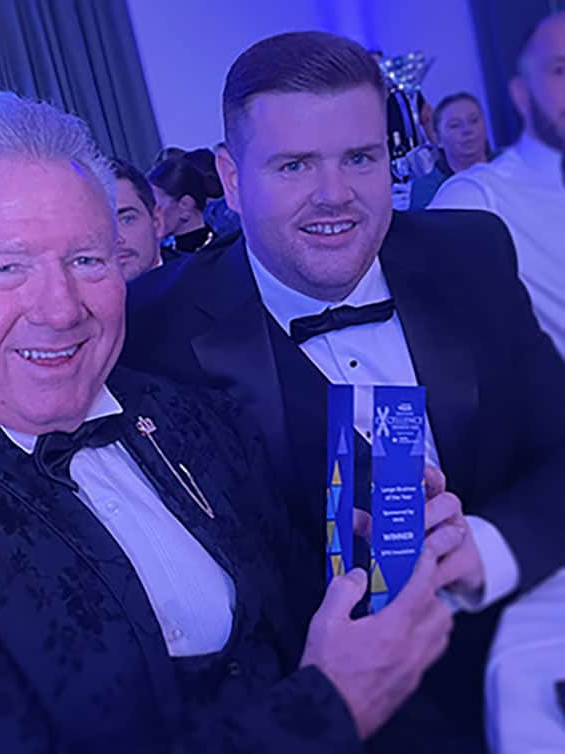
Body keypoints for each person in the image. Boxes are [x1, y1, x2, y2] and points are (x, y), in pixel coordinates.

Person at [0, 91, 459, 754]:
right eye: (7, 267)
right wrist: (329, 708)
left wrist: (379, 557)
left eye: (87, 260)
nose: (60, 308)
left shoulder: (176, 409)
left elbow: (298, 610)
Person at [124, 31, 565, 747]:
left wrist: (487, 548)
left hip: (516, 665)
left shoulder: (473, 252)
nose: (335, 196)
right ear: (232, 180)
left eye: (360, 158)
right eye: (294, 164)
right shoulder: (150, 327)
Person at [430, 12, 565, 356]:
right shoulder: (479, 196)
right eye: (561, 71)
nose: (467, 132)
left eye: (473, 121)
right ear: (521, 94)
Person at [409, 92, 491, 209]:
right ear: (438, 138)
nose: (467, 130)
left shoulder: (508, 166)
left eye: (474, 121)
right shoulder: (426, 189)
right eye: (455, 125)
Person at [148, 155, 219, 258]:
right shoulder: (157, 259)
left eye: (155, 204)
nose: (150, 213)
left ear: (185, 205)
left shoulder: (221, 253)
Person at [111, 158, 163, 280]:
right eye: (99, 226)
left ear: (157, 222)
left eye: (127, 220)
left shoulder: (203, 281)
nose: (114, 238)